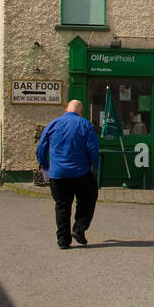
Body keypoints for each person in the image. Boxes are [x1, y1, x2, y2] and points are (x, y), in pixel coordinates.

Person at [35, 99, 100, 249]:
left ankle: (63, 240)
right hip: (81, 172)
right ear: (81, 112)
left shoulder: (54, 124)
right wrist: (93, 166)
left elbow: (41, 147)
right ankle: (79, 228)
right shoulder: (85, 125)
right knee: (88, 199)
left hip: (58, 174)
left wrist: (44, 165)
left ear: (66, 110)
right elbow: (93, 149)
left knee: (62, 205)